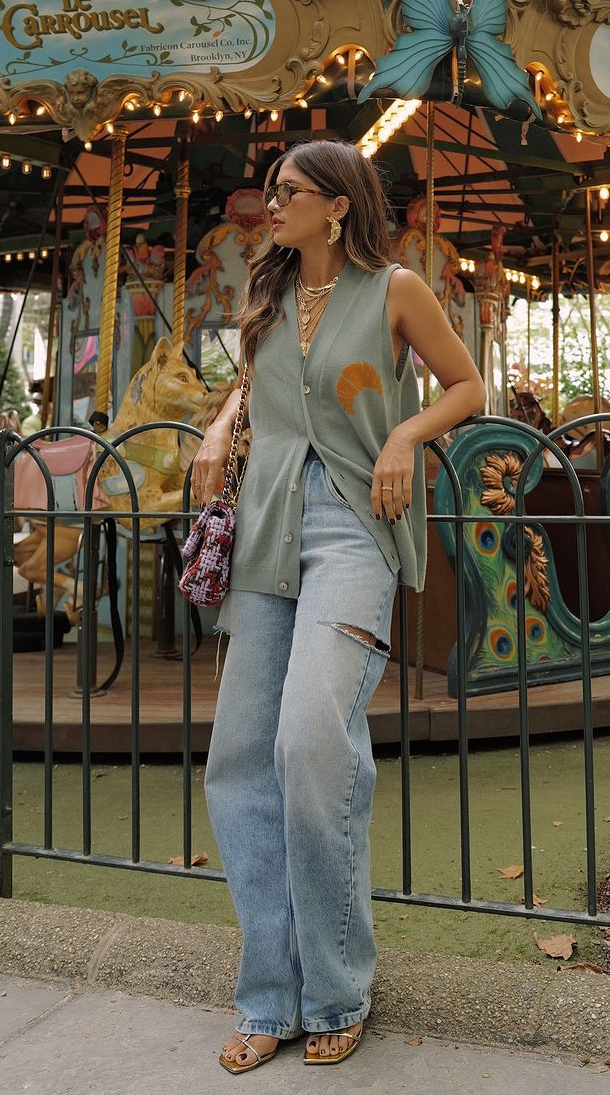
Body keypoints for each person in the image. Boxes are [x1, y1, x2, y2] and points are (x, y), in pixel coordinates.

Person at [191, 139, 486, 1073]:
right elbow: (263, 385)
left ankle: (338, 984)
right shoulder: (268, 298)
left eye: (288, 194)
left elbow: (468, 385)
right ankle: (268, 996)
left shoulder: (396, 288)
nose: (270, 207)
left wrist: (405, 433)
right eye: (274, 192)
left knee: (311, 738)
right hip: (267, 531)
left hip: (355, 526)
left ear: (338, 206)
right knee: (239, 756)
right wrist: (224, 416)